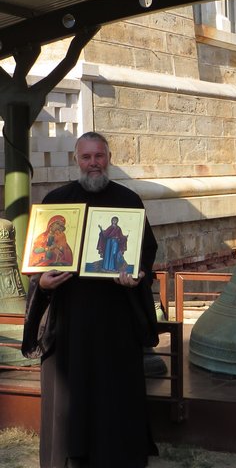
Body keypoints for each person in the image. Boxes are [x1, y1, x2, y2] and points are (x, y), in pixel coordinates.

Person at [22, 131, 159, 468]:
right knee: (72, 392)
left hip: (116, 318)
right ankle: (69, 456)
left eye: (99, 156)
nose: (93, 163)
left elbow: (144, 252)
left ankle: (117, 456)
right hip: (69, 319)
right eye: (87, 157)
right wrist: (43, 282)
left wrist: (137, 275)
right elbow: (39, 263)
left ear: (109, 158)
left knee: (114, 392)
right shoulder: (56, 201)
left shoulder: (128, 201)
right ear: (76, 160)